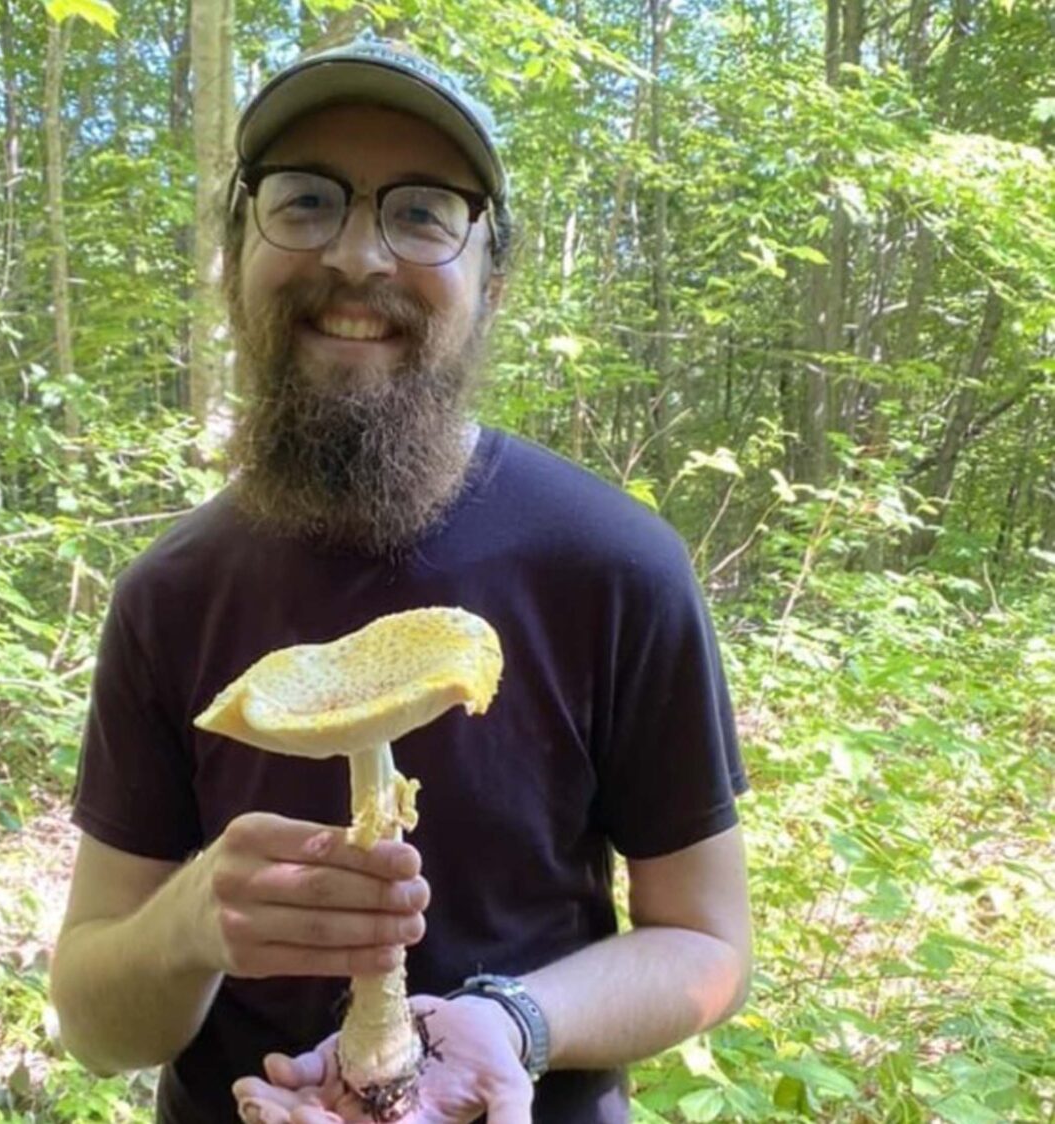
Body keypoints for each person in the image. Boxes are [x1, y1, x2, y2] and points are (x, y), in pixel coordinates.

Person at [50, 34, 751, 1124]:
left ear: (492, 278)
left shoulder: (614, 564)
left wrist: (514, 1019)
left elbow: (706, 943)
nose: (359, 257)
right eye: (306, 201)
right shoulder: (170, 593)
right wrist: (193, 919)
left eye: (421, 211)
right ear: (237, 250)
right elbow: (95, 1024)